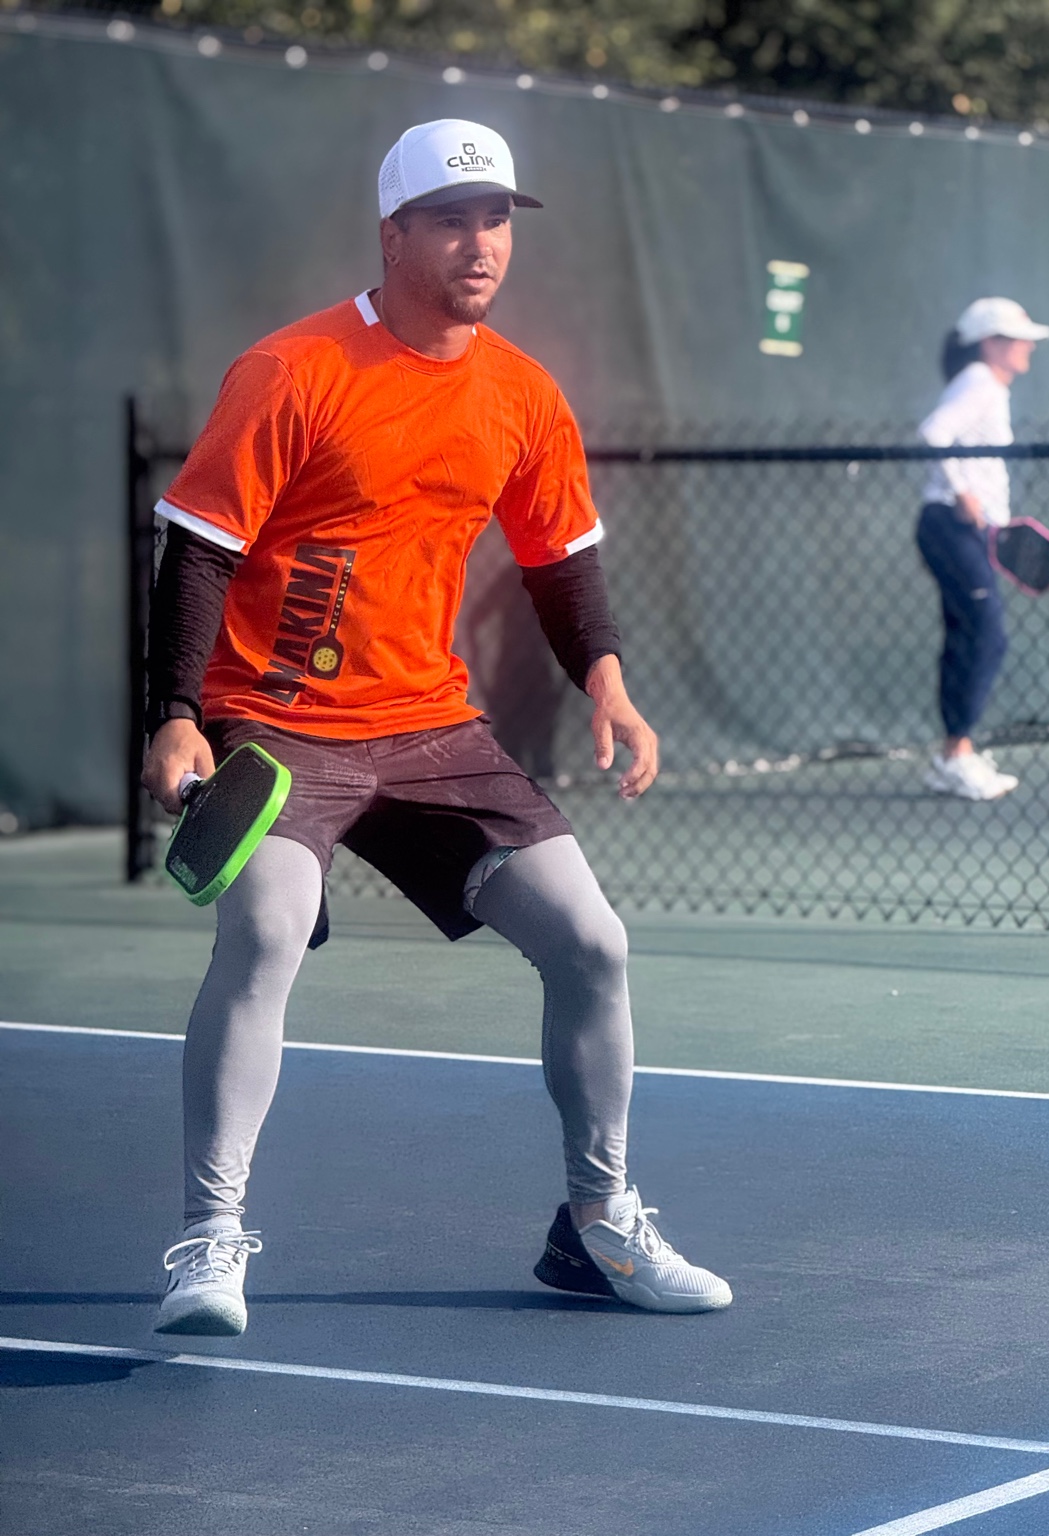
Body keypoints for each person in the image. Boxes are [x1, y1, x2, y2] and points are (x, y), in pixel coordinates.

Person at [142, 119, 732, 1335]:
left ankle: (596, 1226)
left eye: (498, 218)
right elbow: (199, 551)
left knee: (592, 944)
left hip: (428, 725)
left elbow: (562, 561)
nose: (480, 243)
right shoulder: (293, 370)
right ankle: (208, 1238)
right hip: (279, 717)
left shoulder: (520, 394)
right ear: (395, 233)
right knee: (264, 930)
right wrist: (176, 713)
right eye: (453, 219)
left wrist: (608, 684)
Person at [916, 296, 1049, 801]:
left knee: (965, 634)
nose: (1029, 349)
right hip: (950, 526)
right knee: (987, 632)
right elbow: (933, 433)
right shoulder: (979, 382)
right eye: (1021, 340)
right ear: (992, 343)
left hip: (965, 531)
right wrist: (962, 491)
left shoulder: (987, 385)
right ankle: (957, 754)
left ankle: (954, 754)